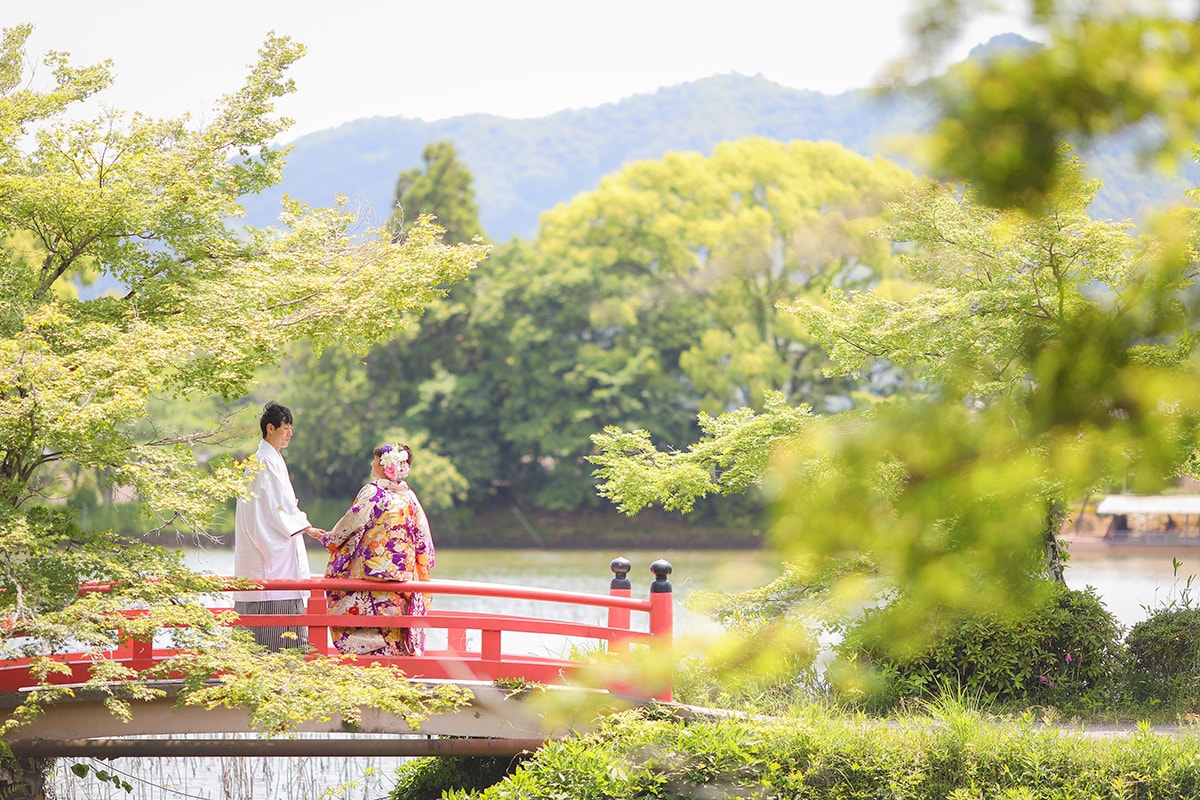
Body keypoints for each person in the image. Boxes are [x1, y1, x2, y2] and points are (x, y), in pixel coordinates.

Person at [315, 443, 434, 656]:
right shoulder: (410, 498)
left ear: (383, 464)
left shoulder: (373, 492)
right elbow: (423, 539)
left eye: (374, 459)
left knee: (363, 621)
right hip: (400, 581)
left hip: (369, 579)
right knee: (393, 628)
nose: (371, 463)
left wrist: (328, 538)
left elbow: (350, 524)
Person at [232, 401, 325, 650]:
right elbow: (277, 508)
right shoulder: (265, 462)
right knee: (277, 640)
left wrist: (304, 525)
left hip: (270, 546)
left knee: (267, 640)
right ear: (270, 428)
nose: (290, 434)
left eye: (291, 428)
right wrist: (306, 527)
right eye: (286, 427)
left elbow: (281, 506)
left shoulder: (269, 459)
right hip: (269, 553)